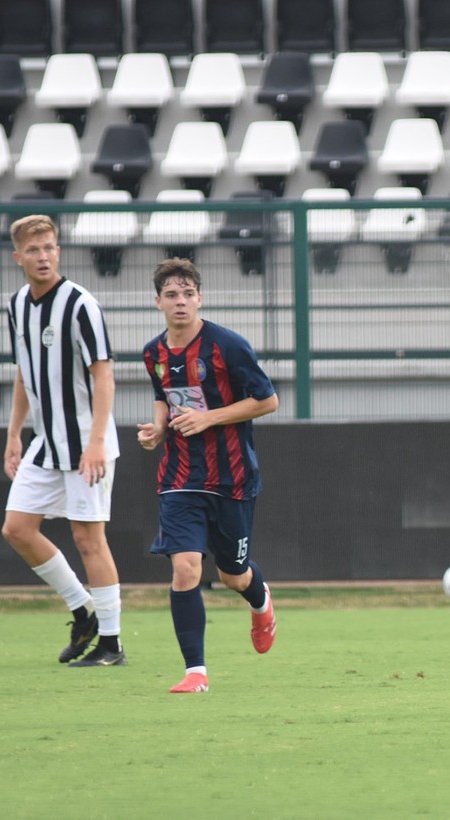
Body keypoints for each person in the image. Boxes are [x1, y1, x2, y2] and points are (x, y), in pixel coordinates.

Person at [137, 258, 279, 694]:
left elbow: (268, 401)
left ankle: (262, 604)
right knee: (185, 568)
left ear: (200, 297)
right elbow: (165, 395)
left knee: (235, 575)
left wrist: (209, 418)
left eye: (188, 294)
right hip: (180, 476)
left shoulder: (228, 346)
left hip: (232, 477)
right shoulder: (153, 353)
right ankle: (195, 671)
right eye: (172, 295)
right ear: (157, 301)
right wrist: (158, 428)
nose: (181, 302)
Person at [1, 214, 126, 667]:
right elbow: (24, 373)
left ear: (59, 251)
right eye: (33, 250)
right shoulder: (16, 305)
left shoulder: (80, 304)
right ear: (18, 258)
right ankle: (83, 609)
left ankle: (112, 644)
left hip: (85, 444)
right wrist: (15, 433)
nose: (43, 256)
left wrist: (95, 443)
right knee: (17, 529)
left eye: (49, 247)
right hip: (44, 443)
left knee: (89, 538)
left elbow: (105, 374)